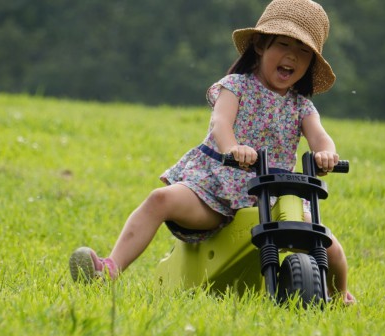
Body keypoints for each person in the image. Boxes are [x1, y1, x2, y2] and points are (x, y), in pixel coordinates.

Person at [69, 0, 355, 304]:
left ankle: (337, 296)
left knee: (328, 245)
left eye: (303, 52)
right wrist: (232, 148)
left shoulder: (302, 106)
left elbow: (320, 136)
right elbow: (221, 122)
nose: (291, 56)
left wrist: (327, 154)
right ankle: (110, 268)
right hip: (216, 188)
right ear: (259, 45)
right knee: (160, 199)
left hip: (270, 196)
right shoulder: (235, 86)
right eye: (283, 44)